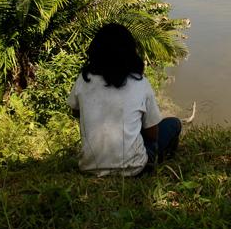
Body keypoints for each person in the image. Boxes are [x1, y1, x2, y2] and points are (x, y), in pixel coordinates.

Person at [66, 23, 181, 176]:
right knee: (173, 124)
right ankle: (159, 163)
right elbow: (152, 134)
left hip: (88, 168)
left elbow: (75, 112)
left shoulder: (84, 79)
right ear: (130, 53)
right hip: (135, 169)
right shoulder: (140, 82)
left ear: (95, 52)